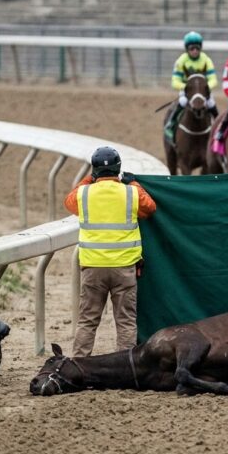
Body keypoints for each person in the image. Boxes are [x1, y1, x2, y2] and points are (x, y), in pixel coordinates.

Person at [64, 146, 156, 357]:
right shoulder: (131, 192)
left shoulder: (83, 193)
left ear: (94, 170)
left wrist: (90, 178)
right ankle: (126, 367)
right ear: (118, 169)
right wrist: (133, 182)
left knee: (87, 321)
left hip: (92, 268)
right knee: (125, 322)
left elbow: (69, 202)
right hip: (124, 269)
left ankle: (79, 363)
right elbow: (150, 208)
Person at [166, 31, 218, 140]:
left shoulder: (206, 60)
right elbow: (175, 81)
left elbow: (213, 79)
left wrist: (205, 88)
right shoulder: (181, 61)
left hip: (202, 91)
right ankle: (171, 123)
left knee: (211, 102)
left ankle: (218, 126)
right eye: (192, 48)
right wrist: (186, 87)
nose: (195, 51)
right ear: (187, 49)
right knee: (182, 101)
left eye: (197, 48)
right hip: (188, 91)